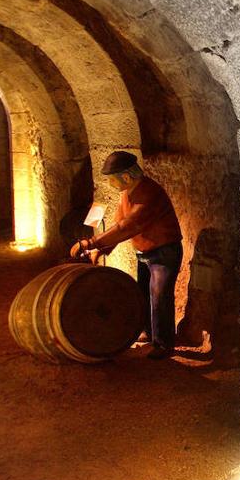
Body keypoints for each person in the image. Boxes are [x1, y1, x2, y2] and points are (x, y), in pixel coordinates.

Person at [69, 151, 182, 360]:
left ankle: (164, 344)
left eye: (112, 179)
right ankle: (150, 333)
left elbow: (129, 226)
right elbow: (119, 225)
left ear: (127, 177)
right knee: (143, 294)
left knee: (159, 296)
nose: (111, 183)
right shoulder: (127, 194)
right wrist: (102, 250)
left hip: (164, 252)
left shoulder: (149, 193)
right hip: (145, 253)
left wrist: (90, 242)